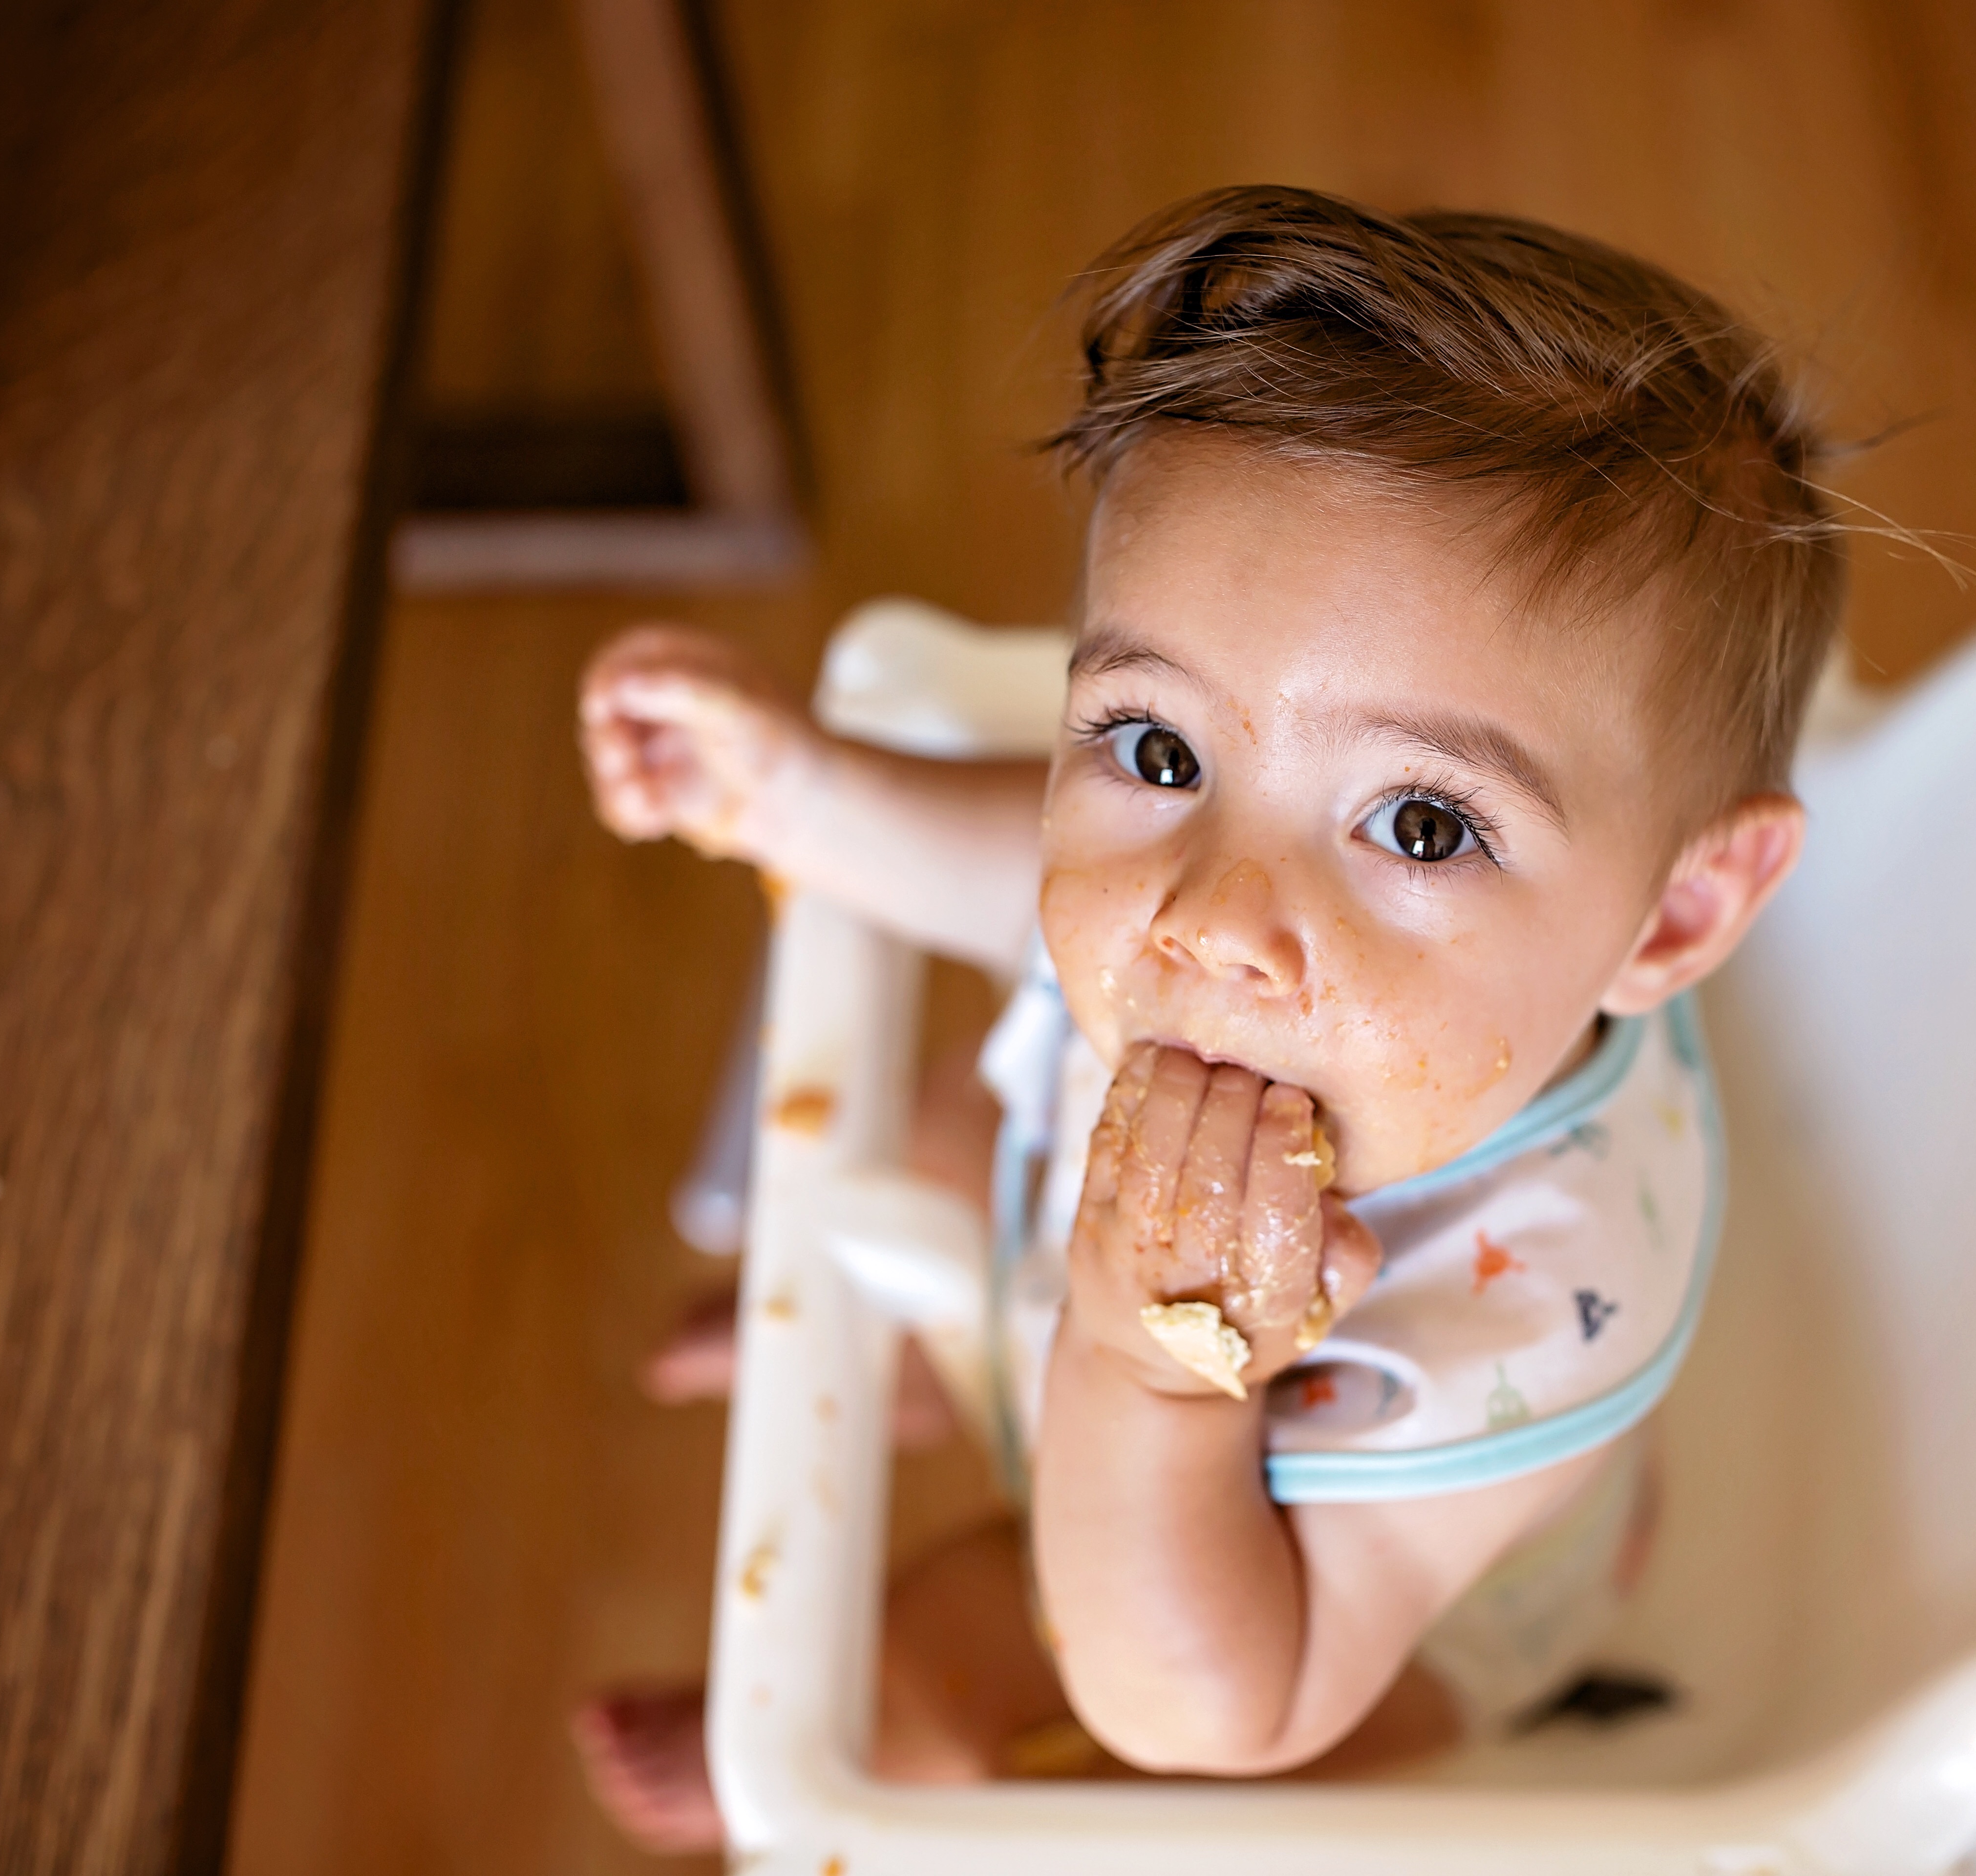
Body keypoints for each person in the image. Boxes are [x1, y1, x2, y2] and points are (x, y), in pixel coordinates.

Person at [569, 183, 1845, 1851]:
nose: (1219, 916)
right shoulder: (1361, 994)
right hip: (1099, 1337)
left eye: (1422, 827)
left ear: (1670, 916)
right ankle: (932, 1356)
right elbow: (1015, 869)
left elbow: (1208, 1705)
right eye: (1161, 751)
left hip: (1329, 1606)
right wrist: (800, 800)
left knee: (919, 1700)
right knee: (957, 1107)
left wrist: (1152, 1373)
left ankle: (808, 1705)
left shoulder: (1529, 1325)